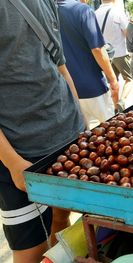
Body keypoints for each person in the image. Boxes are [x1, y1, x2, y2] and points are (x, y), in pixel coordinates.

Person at [0, 1, 85, 262]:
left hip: (67, 137)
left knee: (62, 218)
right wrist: (14, 164)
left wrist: (81, 125)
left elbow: (58, 65)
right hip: (19, 151)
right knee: (30, 251)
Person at [57, 0, 119, 124]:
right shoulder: (82, 10)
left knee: (83, 136)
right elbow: (97, 49)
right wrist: (112, 79)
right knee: (111, 130)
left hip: (66, 89)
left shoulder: (47, 12)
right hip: (93, 86)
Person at [95, 0, 133, 110]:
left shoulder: (95, 13)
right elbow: (127, 33)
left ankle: (116, 109)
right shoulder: (118, 12)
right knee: (129, 79)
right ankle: (122, 100)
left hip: (106, 55)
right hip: (121, 53)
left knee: (112, 81)